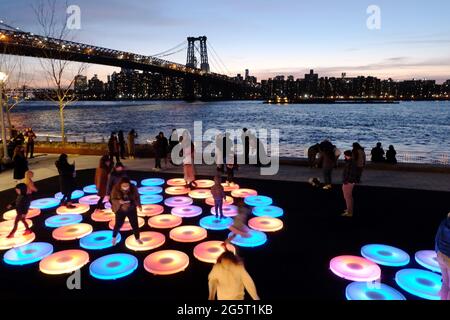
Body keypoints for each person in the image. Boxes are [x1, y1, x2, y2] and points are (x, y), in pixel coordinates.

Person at [110, 177, 143, 246]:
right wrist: (119, 201)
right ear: (120, 185)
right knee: (118, 224)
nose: (126, 187)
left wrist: (139, 205)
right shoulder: (115, 189)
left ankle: (137, 238)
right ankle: (114, 237)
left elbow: (137, 196)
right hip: (120, 209)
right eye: (124, 186)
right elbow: (112, 199)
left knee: (134, 224)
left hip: (131, 208)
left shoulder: (133, 187)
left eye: (127, 185)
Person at [435, 212, 450, 300]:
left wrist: (438, 253)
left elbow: (437, 238)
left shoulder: (444, 222)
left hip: (441, 256)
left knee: (445, 284)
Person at [341, 150, 359, 217]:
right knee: (348, 196)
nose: (344, 156)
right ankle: (349, 209)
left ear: (347, 155)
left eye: (345, 155)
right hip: (349, 181)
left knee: (347, 197)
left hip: (348, 181)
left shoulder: (351, 163)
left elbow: (350, 173)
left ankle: (349, 212)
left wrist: (346, 181)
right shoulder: (351, 162)